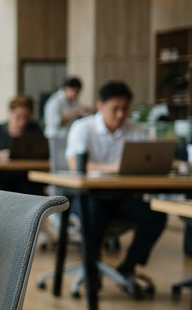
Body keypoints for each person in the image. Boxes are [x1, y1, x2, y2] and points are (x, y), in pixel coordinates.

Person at [66, 80, 167, 296]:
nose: (121, 114)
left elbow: (146, 162)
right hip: (88, 197)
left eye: (125, 109)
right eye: (115, 109)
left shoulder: (135, 129)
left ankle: (128, 266)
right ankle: (92, 271)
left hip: (122, 197)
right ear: (100, 106)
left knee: (156, 215)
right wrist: (114, 168)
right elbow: (76, 165)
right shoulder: (83, 128)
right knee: (93, 215)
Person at [0, 94, 45, 193]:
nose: (22, 122)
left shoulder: (35, 131)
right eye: (18, 117)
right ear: (10, 113)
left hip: (24, 178)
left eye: (26, 118)